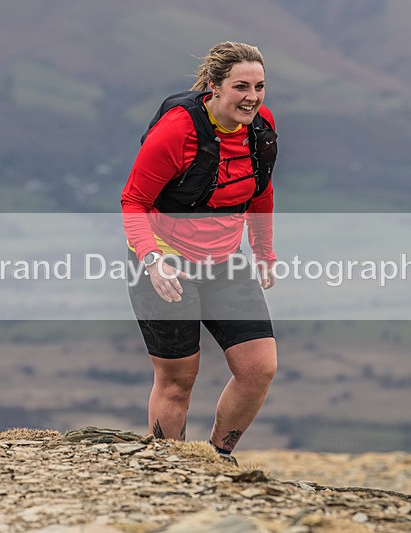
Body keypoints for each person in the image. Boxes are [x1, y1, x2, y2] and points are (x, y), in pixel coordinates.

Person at [121, 41, 278, 464]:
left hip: (225, 261)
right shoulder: (178, 131)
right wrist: (152, 261)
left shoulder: (261, 127)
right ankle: (169, 469)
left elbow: (260, 191)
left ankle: (216, 461)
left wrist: (263, 250)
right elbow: (133, 201)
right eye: (241, 86)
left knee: (258, 367)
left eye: (259, 86)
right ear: (214, 87)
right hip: (164, 262)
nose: (252, 97)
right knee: (178, 380)